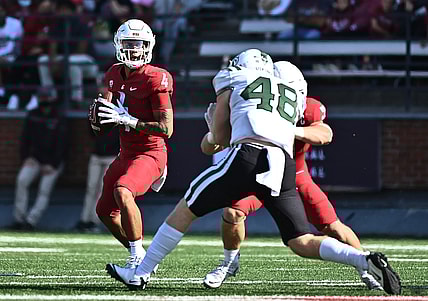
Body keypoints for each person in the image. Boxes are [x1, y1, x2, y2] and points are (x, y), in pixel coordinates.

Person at [105, 49, 401, 295]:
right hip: (282, 163)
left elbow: (215, 141)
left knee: (185, 209)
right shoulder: (288, 91)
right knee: (299, 240)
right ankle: (361, 259)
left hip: (249, 155)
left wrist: (211, 129)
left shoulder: (234, 79)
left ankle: (140, 273)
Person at [201, 62, 381, 291]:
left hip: (295, 174)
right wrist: (214, 135)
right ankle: (228, 262)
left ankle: (367, 267)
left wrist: (288, 130)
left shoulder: (309, 108)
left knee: (332, 226)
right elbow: (211, 147)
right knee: (233, 212)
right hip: (260, 171)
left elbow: (325, 134)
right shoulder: (250, 101)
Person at [90, 19, 173, 271]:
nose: (134, 49)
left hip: (151, 152)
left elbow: (167, 129)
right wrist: (99, 118)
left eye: (139, 44)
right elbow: (104, 113)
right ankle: (141, 254)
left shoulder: (156, 77)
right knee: (105, 211)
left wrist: (128, 119)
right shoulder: (113, 73)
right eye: (129, 43)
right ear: (118, 45)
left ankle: (138, 261)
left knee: (123, 191)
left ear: (148, 46)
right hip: (126, 152)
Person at [7, 88, 68, 230]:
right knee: (22, 180)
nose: (44, 100)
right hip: (34, 159)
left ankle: (30, 221)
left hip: (53, 162)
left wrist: (52, 164)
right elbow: (25, 139)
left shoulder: (59, 116)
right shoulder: (33, 114)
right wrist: (26, 158)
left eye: (46, 97)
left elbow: (63, 144)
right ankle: (19, 219)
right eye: (42, 97)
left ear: (52, 99)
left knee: (44, 189)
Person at [74, 125, 120, 233]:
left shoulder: (119, 115)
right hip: (97, 154)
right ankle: (84, 219)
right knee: (91, 187)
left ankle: (94, 221)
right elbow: (92, 132)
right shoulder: (97, 113)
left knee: (101, 189)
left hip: (111, 155)